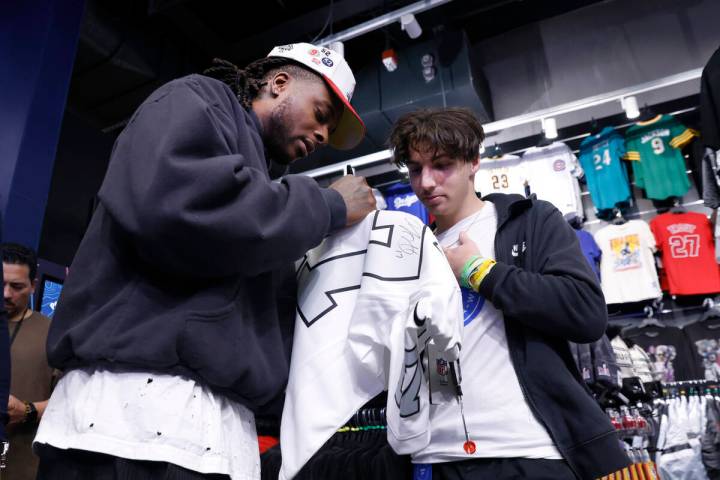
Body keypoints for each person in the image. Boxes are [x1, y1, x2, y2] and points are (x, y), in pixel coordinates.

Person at [34, 42, 376, 480]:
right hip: (129, 422)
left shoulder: (264, 189)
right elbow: (177, 207)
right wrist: (326, 207)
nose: (325, 136)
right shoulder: (197, 99)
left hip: (209, 435)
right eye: (322, 113)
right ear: (280, 83)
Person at [386, 107, 630, 479]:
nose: (427, 182)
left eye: (442, 165)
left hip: (527, 451)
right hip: (435, 456)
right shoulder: (413, 252)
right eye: (416, 169)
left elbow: (586, 313)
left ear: (473, 162)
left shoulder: (529, 221)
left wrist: (478, 271)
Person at [2, 243, 55, 480]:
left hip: (20, 465)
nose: (6, 293)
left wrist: (27, 410)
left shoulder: (52, 333)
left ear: (33, 286)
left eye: (17, 287)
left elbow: (70, 401)